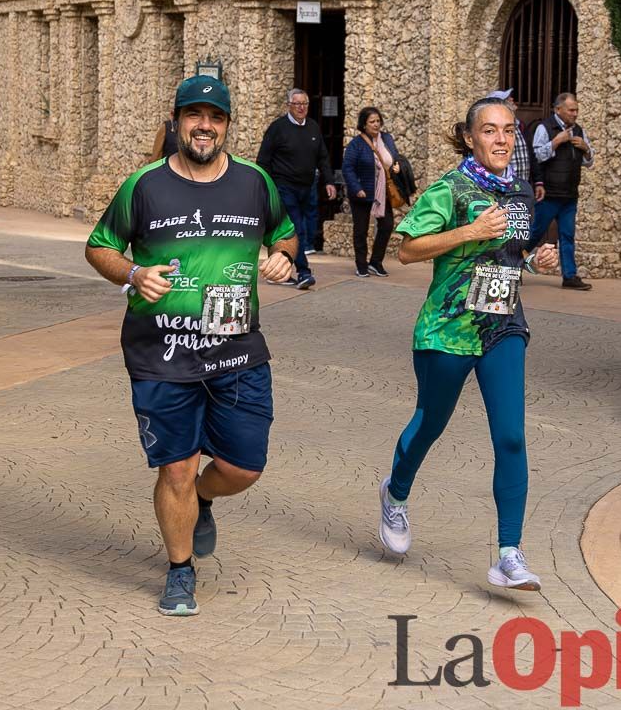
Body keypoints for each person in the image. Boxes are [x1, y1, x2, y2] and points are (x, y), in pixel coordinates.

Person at [85, 75, 299, 615]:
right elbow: (99, 246)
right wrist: (133, 274)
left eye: (216, 117)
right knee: (176, 467)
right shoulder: (144, 185)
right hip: (161, 354)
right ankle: (180, 570)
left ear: (227, 125)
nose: (205, 126)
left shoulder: (254, 183)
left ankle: (205, 498)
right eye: (194, 115)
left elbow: (286, 232)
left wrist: (283, 255)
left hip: (238, 352)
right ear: (177, 120)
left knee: (244, 468)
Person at [377, 96, 559, 591]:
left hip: (502, 325)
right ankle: (395, 494)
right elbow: (408, 249)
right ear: (470, 137)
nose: (500, 139)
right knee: (430, 424)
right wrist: (469, 230)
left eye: (508, 131)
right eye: (490, 131)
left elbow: (509, 253)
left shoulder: (521, 192)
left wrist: (532, 262)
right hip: (448, 329)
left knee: (512, 436)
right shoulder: (450, 189)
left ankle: (509, 553)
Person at [256, 88, 336, 289]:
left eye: (305, 104)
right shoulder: (277, 128)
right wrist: (267, 187)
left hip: (307, 187)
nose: (301, 107)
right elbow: (263, 160)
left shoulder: (313, 128)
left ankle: (280, 269)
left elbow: (323, 157)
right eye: (297, 104)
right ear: (289, 106)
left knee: (307, 228)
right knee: (296, 228)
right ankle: (304, 272)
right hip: (284, 187)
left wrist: (329, 181)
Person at [526, 92, 594, 290]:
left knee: (567, 235)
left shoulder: (578, 130)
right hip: (549, 194)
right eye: (571, 110)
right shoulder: (544, 128)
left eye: (576, 110)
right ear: (558, 110)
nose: (575, 114)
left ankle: (570, 276)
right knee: (535, 233)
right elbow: (537, 155)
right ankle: (512, 264)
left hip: (569, 194)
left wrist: (586, 149)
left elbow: (589, 161)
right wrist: (557, 141)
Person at [343, 106, 403, 278]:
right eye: (372, 122)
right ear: (364, 124)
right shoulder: (357, 144)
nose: (376, 125)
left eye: (378, 121)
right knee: (361, 230)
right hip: (362, 193)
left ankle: (375, 262)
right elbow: (348, 168)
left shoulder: (387, 139)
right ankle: (361, 265)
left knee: (386, 226)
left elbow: (394, 156)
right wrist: (357, 188)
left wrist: (396, 165)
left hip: (383, 191)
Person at [485, 89, 533, 184]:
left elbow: (530, 153)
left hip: (524, 183)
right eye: (507, 99)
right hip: (502, 184)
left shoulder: (520, 125)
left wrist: (538, 181)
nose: (511, 99)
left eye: (509, 131)